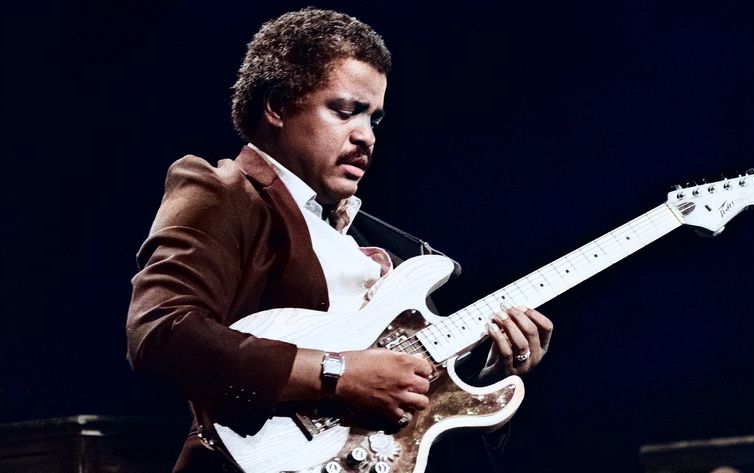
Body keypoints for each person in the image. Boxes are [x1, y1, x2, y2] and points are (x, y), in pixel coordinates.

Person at [126, 8, 553, 473]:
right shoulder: (225, 191)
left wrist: (480, 379)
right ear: (277, 106)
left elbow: (399, 422)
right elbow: (160, 333)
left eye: (374, 119)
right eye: (345, 111)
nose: (366, 136)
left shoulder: (378, 244)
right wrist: (338, 373)